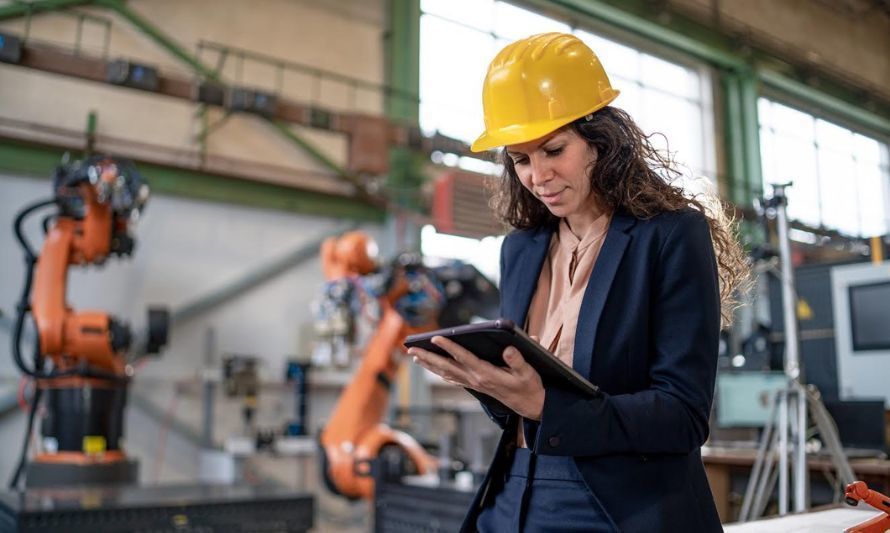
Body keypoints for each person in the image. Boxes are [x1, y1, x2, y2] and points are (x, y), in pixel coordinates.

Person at [408, 32, 749, 532]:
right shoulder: (520, 249)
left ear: (601, 141)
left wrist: (545, 405)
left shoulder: (671, 235)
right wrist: (485, 383)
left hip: (617, 503)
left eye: (553, 149)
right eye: (521, 159)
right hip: (512, 490)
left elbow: (684, 416)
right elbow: (519, 414)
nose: (537, 175)